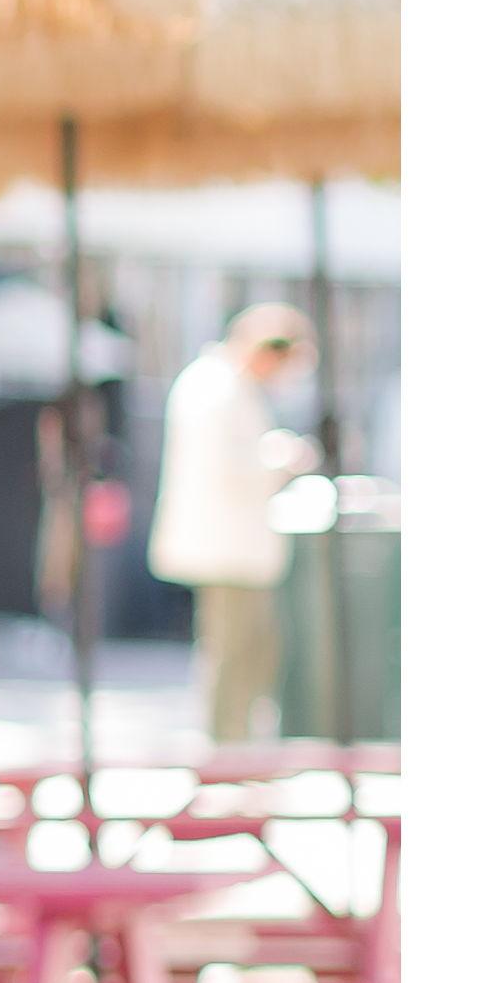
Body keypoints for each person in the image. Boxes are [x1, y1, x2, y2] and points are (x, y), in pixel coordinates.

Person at [152, 302, 323, 747]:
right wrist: (281, 460)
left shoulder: (224, 386)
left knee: (250, 649)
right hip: (225, 546)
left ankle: (236, 743)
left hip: (235, 545)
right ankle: (226, 747)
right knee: (233, 650)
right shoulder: (216, 388)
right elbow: (226, 468)